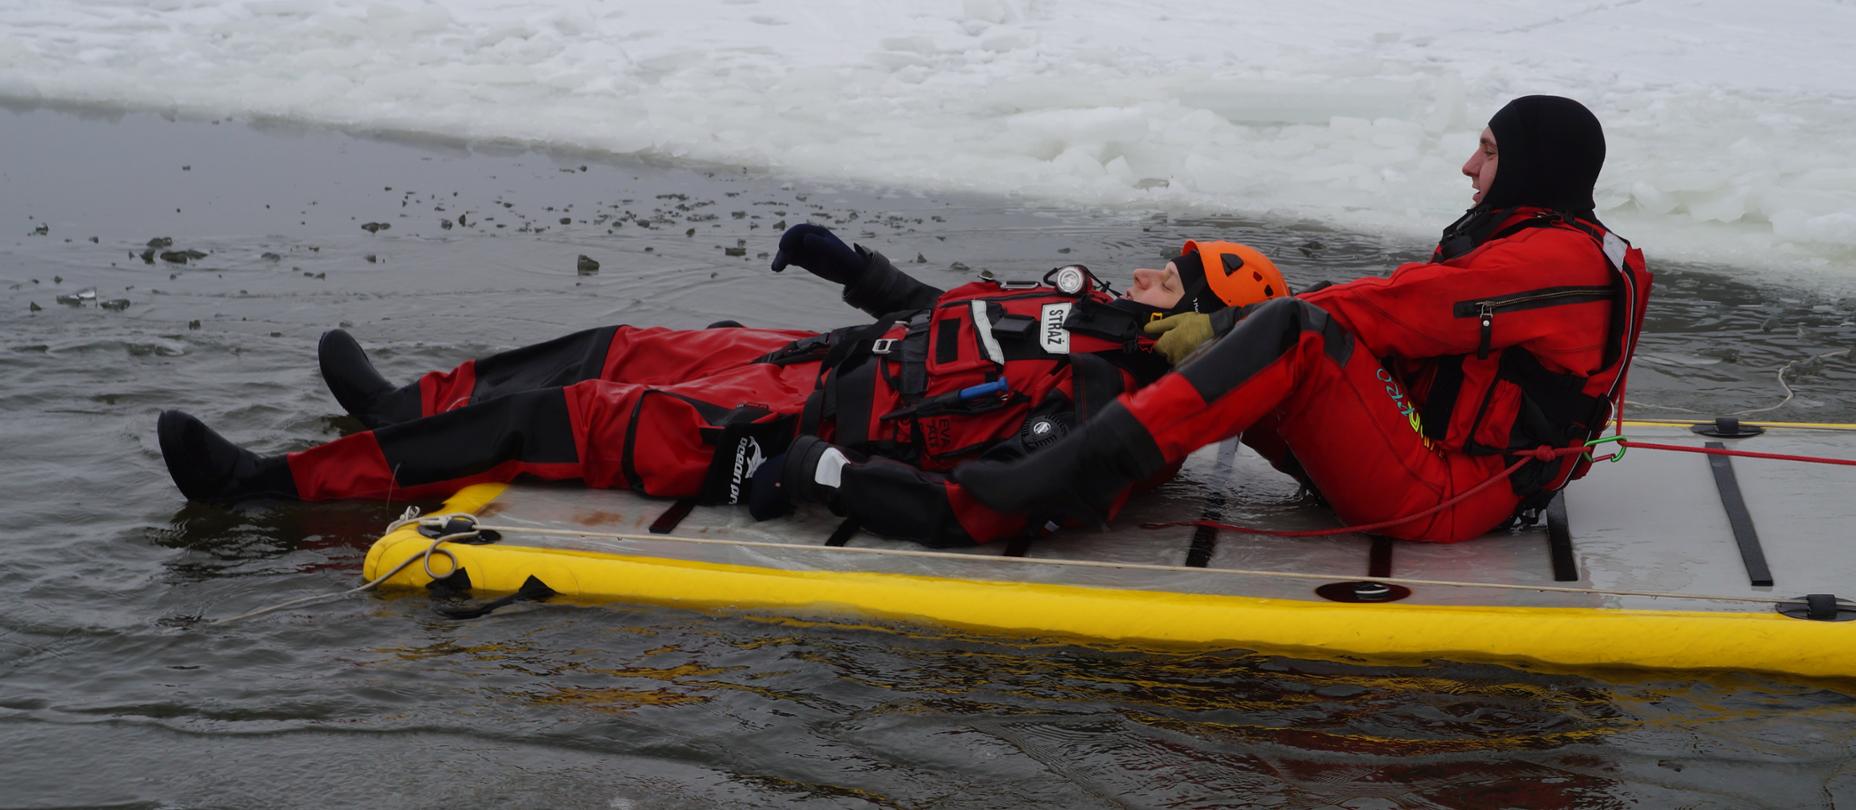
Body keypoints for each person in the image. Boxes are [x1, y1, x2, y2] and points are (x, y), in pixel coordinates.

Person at [157, 225, 1289, 546]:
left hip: (787, 429)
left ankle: (270, 488)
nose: (1142, 268)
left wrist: (823, 473)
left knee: (565, 420)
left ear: (1191, 309)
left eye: (1168, 271)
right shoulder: (1089, 317)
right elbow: (956, 323)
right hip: (815, 363)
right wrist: (862, 273)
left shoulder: (1105, 407)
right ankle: (403, 408)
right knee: (625, 342)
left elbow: (987, 501)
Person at [954, 95, 1652, 542]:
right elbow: (1394, 311)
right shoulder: (1532, 243)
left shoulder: (1557, 263)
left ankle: (1065, 469)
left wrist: (1233, 326)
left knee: (1288, 331)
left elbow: (1399, 310)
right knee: (1243, 325)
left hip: (1449, 495)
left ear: (1534, 165)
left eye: (1491, 151)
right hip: (1430, 462)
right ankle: (1019, 429)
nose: (1469, 166)